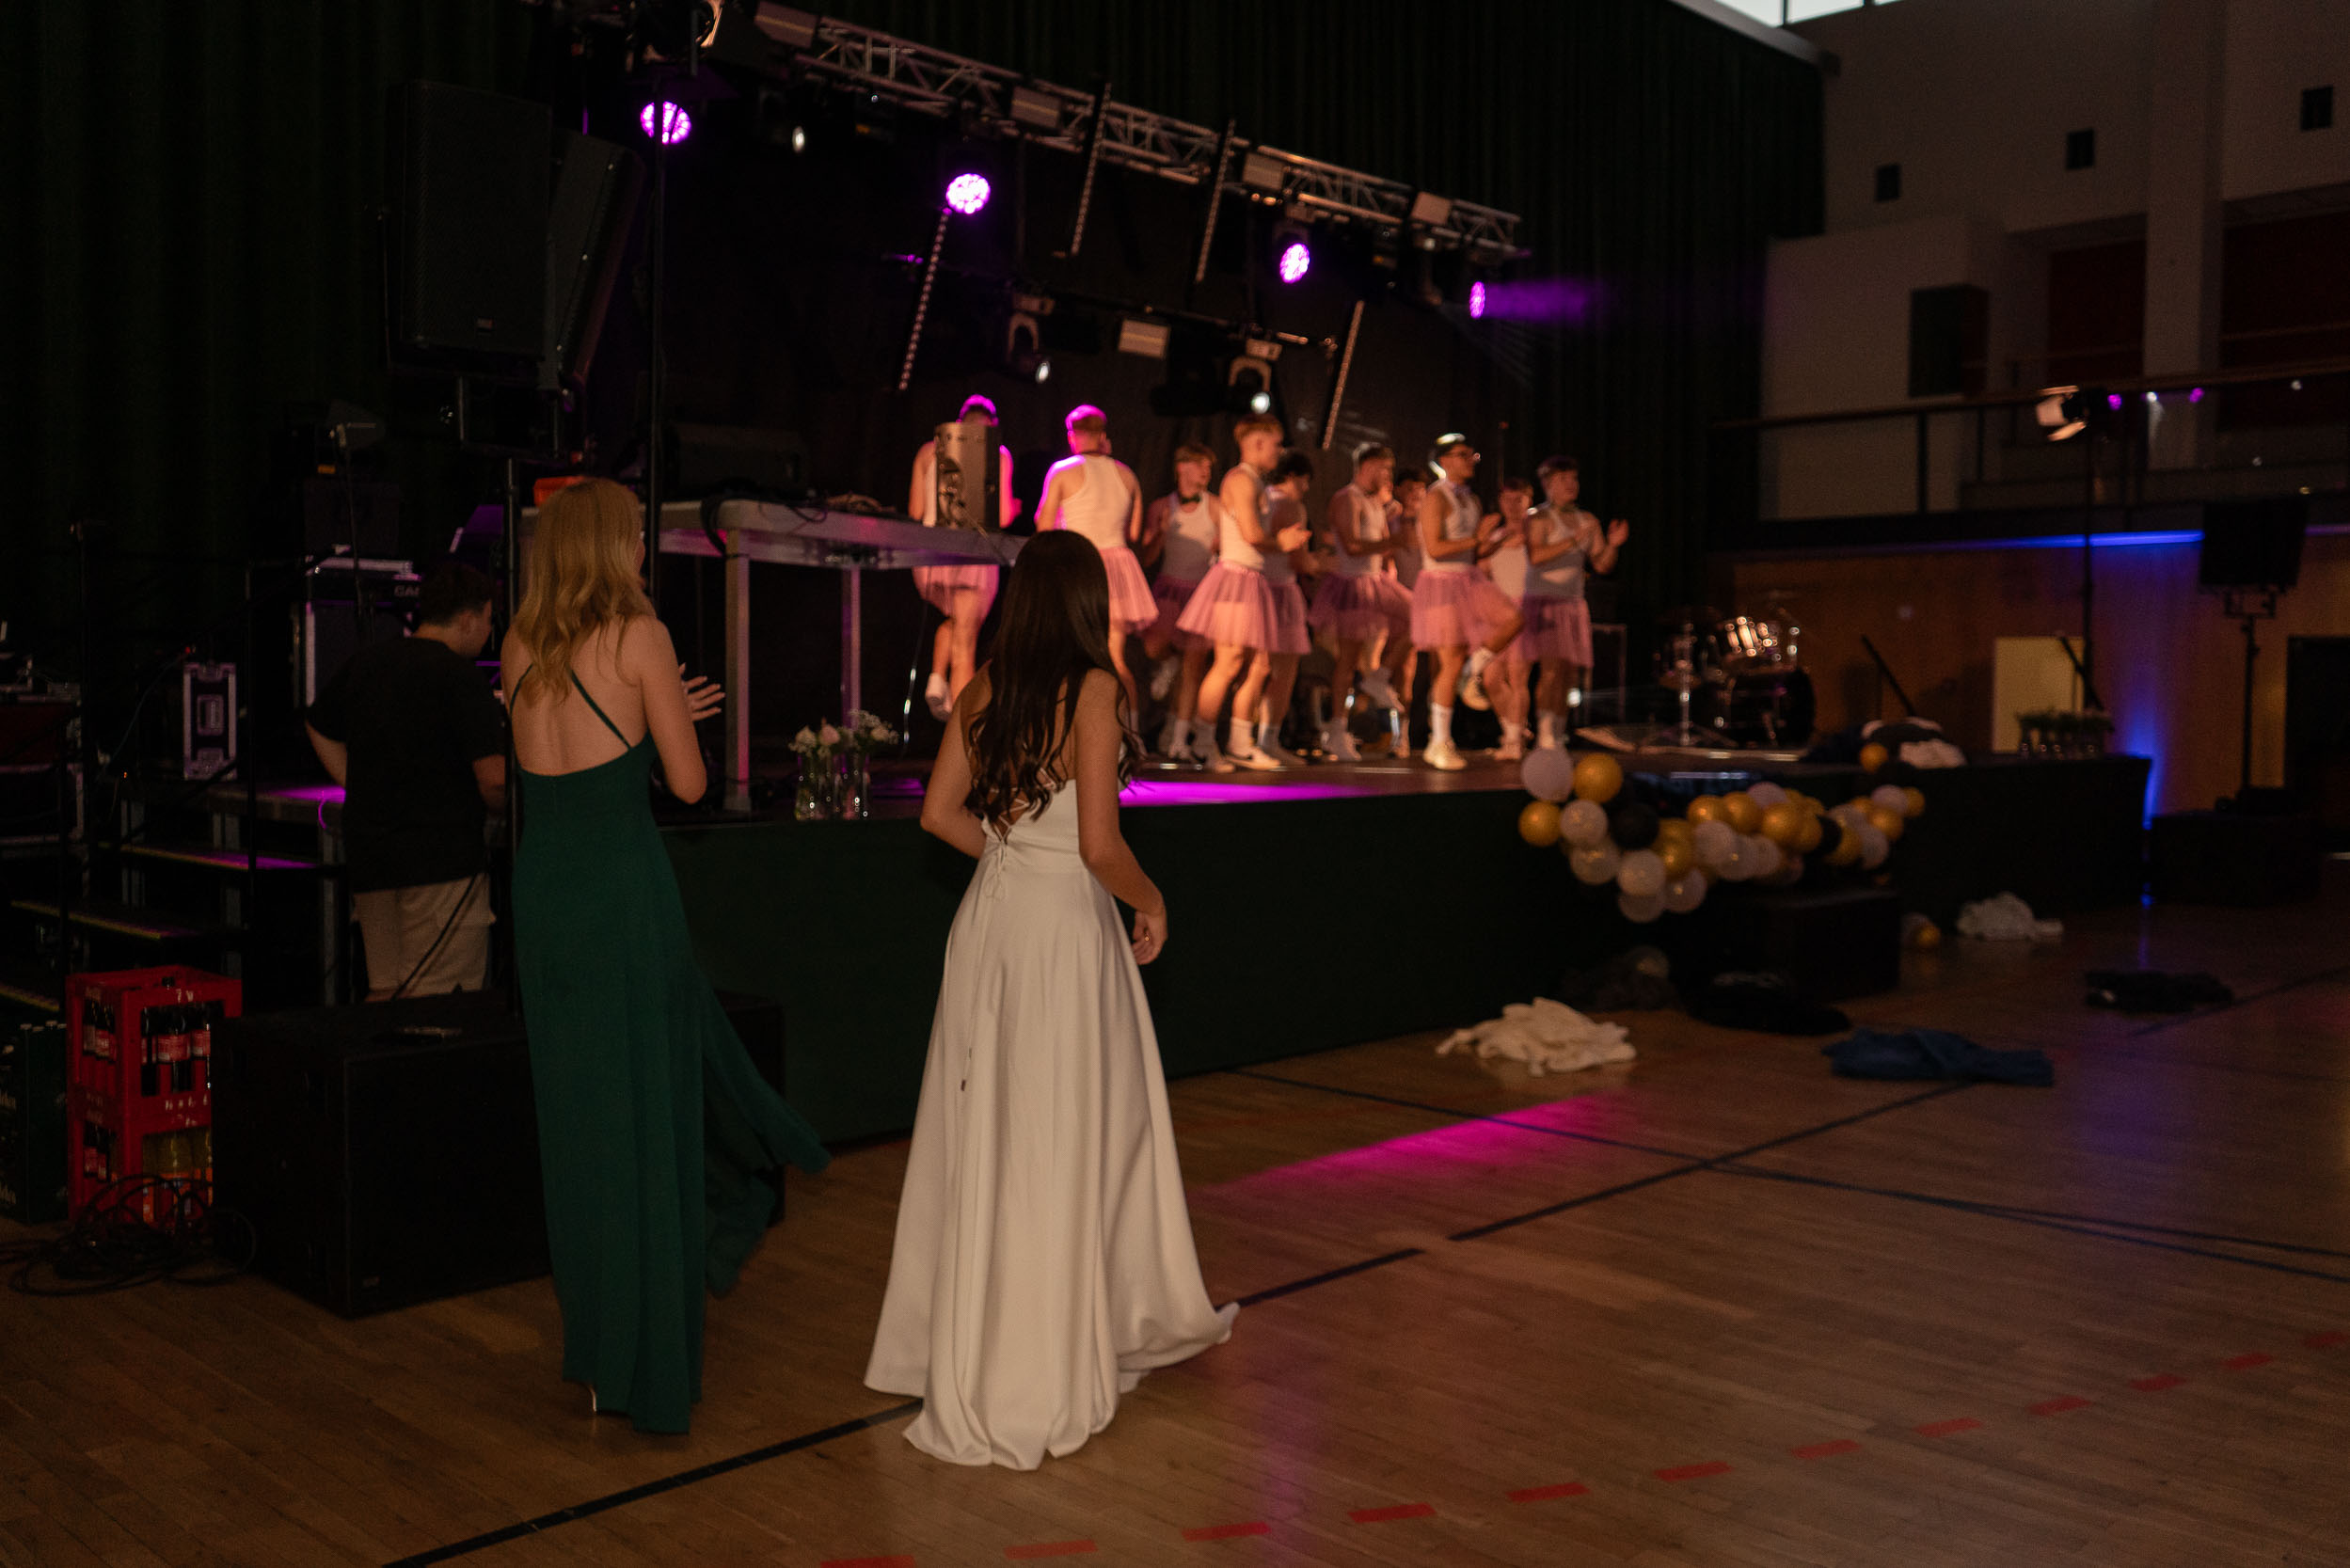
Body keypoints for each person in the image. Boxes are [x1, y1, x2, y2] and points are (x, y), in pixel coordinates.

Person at [866, 530, 1234, 1468]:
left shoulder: (987, 685)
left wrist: (1008, 854)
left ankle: (976, 1337)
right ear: (1085, 601)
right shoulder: (1095, 688)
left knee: (990, 1127)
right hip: (1063, 930)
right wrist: (1153, 900)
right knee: (1061, 1130)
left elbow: (937, 813)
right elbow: (1100, 847)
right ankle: (1039, 1355)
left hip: (992, 923)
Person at [501, 478, 829, 1434]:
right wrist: (667, 717)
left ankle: (597, 1354)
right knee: (643, 1112)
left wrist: (646, 719)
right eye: (635, 536)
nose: (644, 550)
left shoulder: (518, 644)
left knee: (577, 1122)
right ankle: (642, 1361)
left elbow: (556, 766)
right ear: (610, 546)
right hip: (620, 895)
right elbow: (686, 785)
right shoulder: (639, 637)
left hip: (544, 898)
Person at [306, 562, 506, 1001]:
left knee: (385, 994)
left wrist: (357, 782)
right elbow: (492, 781)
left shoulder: (368, 662)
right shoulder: (462, 677)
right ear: (467, 618)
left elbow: (317, 725)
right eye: (488, 620)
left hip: (372, 861)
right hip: (441, 866)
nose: (489, 632)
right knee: (440, 1004)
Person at [1176, 416, 1313, 771]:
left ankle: (1239, 742)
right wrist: (1282, 542)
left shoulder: (1254, 481)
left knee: (1259, 665)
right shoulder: (1240, 479)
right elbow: (1252, 535)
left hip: (1251, 578)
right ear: (1257, 443)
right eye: (1276, 444)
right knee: (1229, 662)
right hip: (1236, 576)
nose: (1279, 451)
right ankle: (1203, 744)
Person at [1408, 436, 1522, 770]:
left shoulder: (1470, 499)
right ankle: (1439, 741)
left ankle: (1473, 671)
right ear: (1444, 461)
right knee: (1451, 660)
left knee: (1514, 619)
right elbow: (1435, 548)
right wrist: (1477, 538)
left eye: (1471, 454)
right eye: (1462, 455)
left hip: (1467, 579)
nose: (1470, 460)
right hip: (1441, 584)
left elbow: (1474, 551)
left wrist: (1497, 540)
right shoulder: (1436, 497)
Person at [909, 395, 1022, 720]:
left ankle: (936, 678)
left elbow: (915, 510)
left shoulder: (928, 451)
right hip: (971, 557)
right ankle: (962, 737)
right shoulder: (997, 453)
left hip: (931, 557)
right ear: (991, 426)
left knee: (956, 621)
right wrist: (1014, 507)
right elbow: (1001, 515)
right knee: (965, 647)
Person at [1035, 404, 1153, 709]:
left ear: (1072, 435)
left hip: (1078, 564)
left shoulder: (1063, 470)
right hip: (1118, 569)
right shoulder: (1127, 474)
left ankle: (1068, 723)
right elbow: (1134, 532)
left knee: (1068, 652)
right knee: (1116, 659)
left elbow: (1044, 526)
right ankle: (1129, 728)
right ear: (1102, 436)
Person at [1308, 443, 1415, 761]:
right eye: (1384, 468)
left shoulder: (1374, 502)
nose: (1388, 475)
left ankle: (1379, 677)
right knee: (1347, 660)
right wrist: (1393, 540)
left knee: (1419, 617)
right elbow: (1353, 546)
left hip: (1374, 581)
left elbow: (1381, 547)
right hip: (1352, 585)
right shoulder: (1347, 498)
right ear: (1367, 466)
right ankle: (1338, 729)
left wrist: (1397, 525)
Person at [1525, 455, 1629, 750]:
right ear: (1547, 484)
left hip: (1572, 603)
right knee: (1551, 669)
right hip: (1544, 602)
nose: (1571, 484)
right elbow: (1536, 556)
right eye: (1563, 479)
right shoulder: (1538, 517)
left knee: (1569, 673)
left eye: (1573, 478)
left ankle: (1558, 730)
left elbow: (1602, 565)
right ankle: (1544, 732)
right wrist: (1573, 540)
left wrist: (1613, 545)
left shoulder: (1587, 520)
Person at [1137, 443, 1223, 759]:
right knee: (1154, 647)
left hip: (1200, 594)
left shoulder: (1215, 506)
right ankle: (1167, 664)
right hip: (1169, 591)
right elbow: (1147, 557)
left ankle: (1177, 738)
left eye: (1209, 467)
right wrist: (1160, 533)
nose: (1206, 472)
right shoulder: (1162, 506)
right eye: (1200, 465)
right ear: (1182, 467)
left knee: (1193, 667)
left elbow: (1226, 549)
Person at [1478, 478, 1538, 761]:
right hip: (1498, 614)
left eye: (1518, 500)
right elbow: (1482, 571)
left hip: (1525, 612)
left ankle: (1513, 741)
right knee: (1491, 679)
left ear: (1529, 500)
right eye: (1507, 500)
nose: (1512, 506)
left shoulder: (1536, 536)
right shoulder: (1495, 537)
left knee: (1517, 676)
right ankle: (1514, 730)